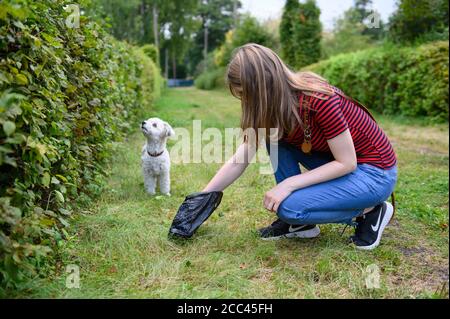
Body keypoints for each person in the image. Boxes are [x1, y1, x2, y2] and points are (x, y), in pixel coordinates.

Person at [202, 43, 397, 250]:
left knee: (288, 207)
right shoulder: (274, 109)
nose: (246, 102)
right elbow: (240, 158)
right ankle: (301, 225)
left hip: (374, 173)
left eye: (247, 95)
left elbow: (347, 163)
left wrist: (288, 185)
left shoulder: (319, 99)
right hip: (339, 163)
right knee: (273, 135)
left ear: (264, 87)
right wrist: (203, 197)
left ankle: (371, 212)